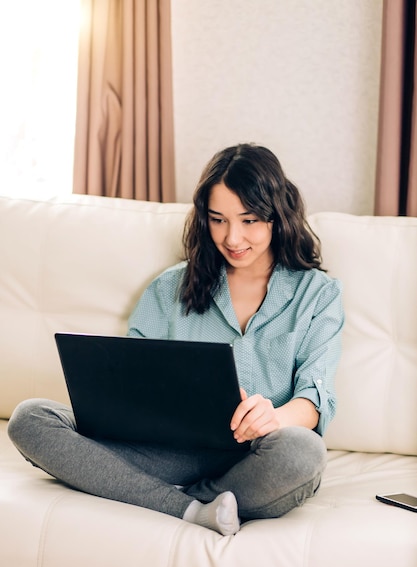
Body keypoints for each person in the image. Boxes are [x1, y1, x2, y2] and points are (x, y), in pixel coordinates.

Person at [8, 144, 344, 536]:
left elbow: (315, 397)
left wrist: (274, 418)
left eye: (249, 220)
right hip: (165, 453)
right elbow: (128, 377)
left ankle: (173, 494)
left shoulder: (318, 294)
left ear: (277, 216)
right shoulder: (170, 287)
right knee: (30, 418)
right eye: (218, 220)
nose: (233, 237)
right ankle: (186, 508)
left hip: (253, 458)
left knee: (303, 453)